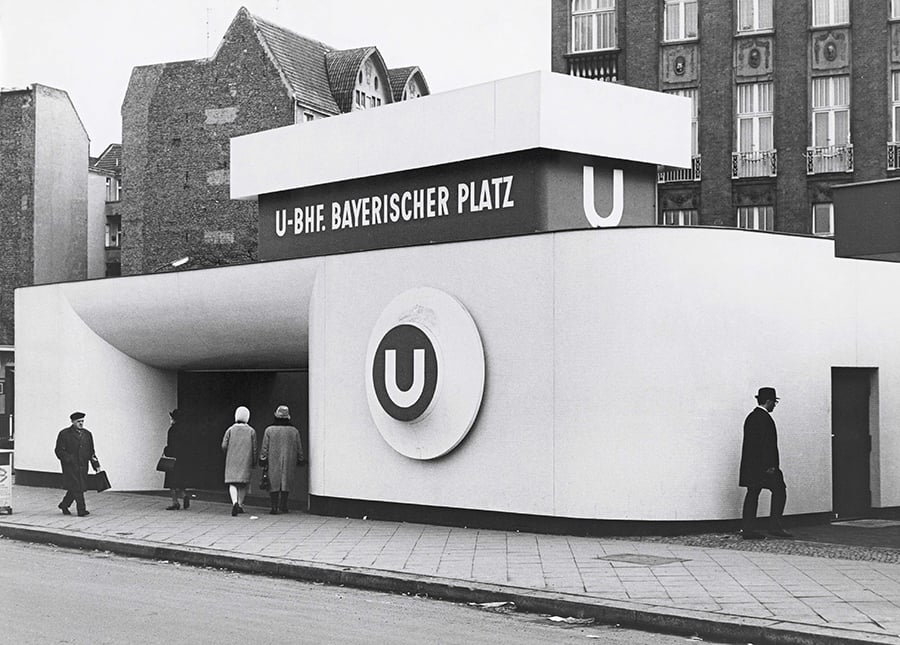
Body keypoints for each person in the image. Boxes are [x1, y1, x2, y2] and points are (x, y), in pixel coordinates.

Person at [739, 386, 792, 540]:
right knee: (780, 491)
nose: (774, 405)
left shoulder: (751, 417)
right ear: (768, 401)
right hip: (765, 467)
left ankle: (748, 529)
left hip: (752, 467)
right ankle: (774, 526)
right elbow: (767, 445)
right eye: (774, 402)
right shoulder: (765, 419)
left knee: (752, 494)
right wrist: (771, 466)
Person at [54, 411, 101, 517]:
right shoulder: (64, 434)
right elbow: (59, 451)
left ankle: (64, 504)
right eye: (78, 421)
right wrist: (69, 459)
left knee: (75, 487)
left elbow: (91, 451)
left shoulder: (87, 434)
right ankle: (81, 510)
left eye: (82, 421)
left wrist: (96, 466)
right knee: (77, 487)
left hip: (83, 466)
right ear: (72, 422)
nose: (81, 423)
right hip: (70, 467)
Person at [259, 405, 304, 515]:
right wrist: (300, 458)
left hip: (273, 460)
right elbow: (299, 447)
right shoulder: (294, 431)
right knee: (286, 481)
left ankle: (274, 506)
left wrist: (263, 458)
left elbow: (265, 447)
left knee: (273, 482)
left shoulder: (269, 430)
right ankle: (284, 505)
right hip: (289, 459)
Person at [222, 405, 256, 516]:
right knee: (243, 484)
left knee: (232, 483)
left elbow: (224, 445)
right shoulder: (251, 431)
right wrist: (254, 461)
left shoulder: (230, 430)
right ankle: (240, 504)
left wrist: (228, 452)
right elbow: (254, 448)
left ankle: (234, 502)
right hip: (246, 460)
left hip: (232, 459)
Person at [162, 409, 192, 510]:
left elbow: (170, 445)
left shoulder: (172, 430)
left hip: (173, 459)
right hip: (184, 459)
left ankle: (175, 502)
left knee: (172, 482)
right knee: (181, 481)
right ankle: (184, 495)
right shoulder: (187, 429)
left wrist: (166, 450)